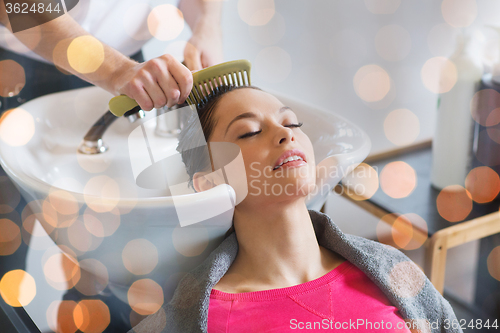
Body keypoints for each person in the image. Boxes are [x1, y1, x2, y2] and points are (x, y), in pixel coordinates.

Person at [129, 85, 462, 333]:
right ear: (211, 181)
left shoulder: (391, 270)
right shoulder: (207, 318)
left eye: (291, 122)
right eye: (249, 132)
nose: (284, 133)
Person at [0, 0, 222, 331]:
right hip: (26, 68)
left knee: (106, 265)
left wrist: (207, 24)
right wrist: (118, 71)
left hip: (129, 70)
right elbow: (21, 8)